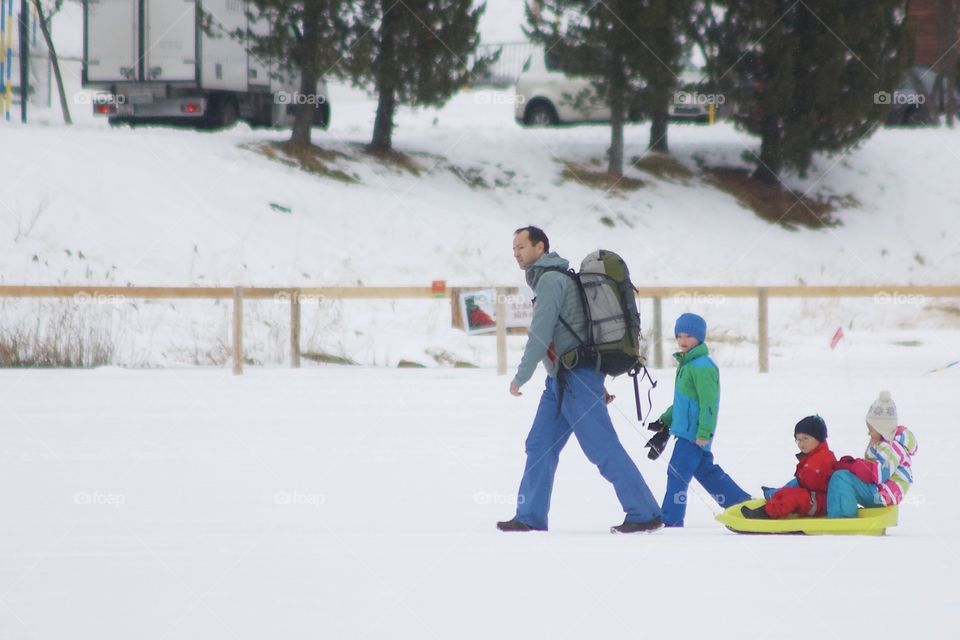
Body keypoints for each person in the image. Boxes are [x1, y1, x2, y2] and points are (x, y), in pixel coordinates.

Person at [497, 226, 662, 534]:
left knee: (601, 447)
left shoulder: (550, 281)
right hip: (561, 380)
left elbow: (540, 333)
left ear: (540, 247)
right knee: (539, 444)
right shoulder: (552, 279)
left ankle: (644, 512)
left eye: (521, 246)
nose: (516, 253)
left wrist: (520, 377)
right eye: (514, 249)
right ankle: (530, 516)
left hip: (576, 380)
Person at [647, 313, 750, 527]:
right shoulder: (687, 365)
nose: (683, 340)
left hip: (694, 435)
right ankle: (741, 503)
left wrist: (704, 432)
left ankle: (670, 520)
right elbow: (683, 402)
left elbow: (708, 404)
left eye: (688, 336)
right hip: (686, 432)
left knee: (676, 474)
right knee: (707, 472)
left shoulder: (703, 366)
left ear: (700, 338)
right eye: (679, 336)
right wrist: (665, 419)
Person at [826, 391, 918, 518]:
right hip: (880, 492)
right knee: (843, 476)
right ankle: (841, 510)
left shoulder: (892, 448)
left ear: (882, 429)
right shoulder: (882, 443)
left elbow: (878, 474)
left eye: (871, 430)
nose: (869, 434)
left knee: (841, 477)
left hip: (884, 494)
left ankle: (843, 517)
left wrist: (854, 466)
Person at [741, 415, 837, 519]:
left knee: (794, 497)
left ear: (819, 438)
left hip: (822, 502)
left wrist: (799, 480)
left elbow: (813, 482)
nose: (801, 443)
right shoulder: (812, 456)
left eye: (805, 438)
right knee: (787, 492)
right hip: (814, 497)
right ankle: (771, 502)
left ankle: (766, 513)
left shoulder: (824, 457)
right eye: (798, 439)